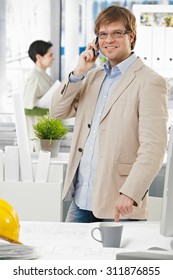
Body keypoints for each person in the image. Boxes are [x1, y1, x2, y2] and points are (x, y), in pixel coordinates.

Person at [50, 5, 168, 223]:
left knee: (111, 258)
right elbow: (57, 111)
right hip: (81, 199)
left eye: (116, 33)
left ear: (131, 37)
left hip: (119, 202)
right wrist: (78, 73)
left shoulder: (150, 82)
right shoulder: (91, 78)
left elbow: (154, 147)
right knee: (67, 256)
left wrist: (130, 193)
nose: (108, 40)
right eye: (102, 35)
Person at [23, 40, 54, 151]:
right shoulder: (34, 77)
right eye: (50, 55)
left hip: (45, 132)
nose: (53, 58)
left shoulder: (43, 76)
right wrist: (49, 111)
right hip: (36, 136)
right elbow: (27, 109)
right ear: (39, 57)